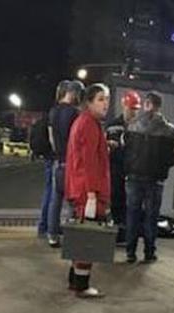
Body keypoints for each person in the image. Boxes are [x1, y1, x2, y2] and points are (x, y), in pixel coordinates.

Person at [64, 83, 111, 298]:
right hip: (88, 191)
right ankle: (82, 285)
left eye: (107, 99)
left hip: (80, 188)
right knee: (88, 238)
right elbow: (89, 161)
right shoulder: (90, 124)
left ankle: (74, 280)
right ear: (89, 102)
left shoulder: (82, 121)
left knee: (81, 235)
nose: (105, 104)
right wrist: (92, 193)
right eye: (100, 99)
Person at [123, 92, 174, 264]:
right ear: (159, 106)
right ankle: (149, 252)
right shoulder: (169, 130)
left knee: (132, 214)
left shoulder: (132, 125)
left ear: (146, 104)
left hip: (133, 177)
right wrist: (162, 167)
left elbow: (125, 150)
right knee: (151, 217)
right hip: (155, 179)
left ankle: (130, 252)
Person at [47, 80, 84, 248]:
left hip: (58, 161)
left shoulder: (53, 112)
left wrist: (58, 153)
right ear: (73, 93)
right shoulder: (76, 113)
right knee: (72, 201)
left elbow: (51, 139)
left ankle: (52, 235)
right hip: (72, 162)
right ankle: (70, 237)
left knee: (55, 200)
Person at [106, 90, 141, 244]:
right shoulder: (113, 126)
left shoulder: (140, 127)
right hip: (116, 171)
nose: (134, 112)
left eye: (136, 109)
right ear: (124, 106)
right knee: (116, 202)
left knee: (132, 205)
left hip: (133, 172)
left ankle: (129, 234)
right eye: (131, 108)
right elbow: (107, 148)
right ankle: (119, 234)